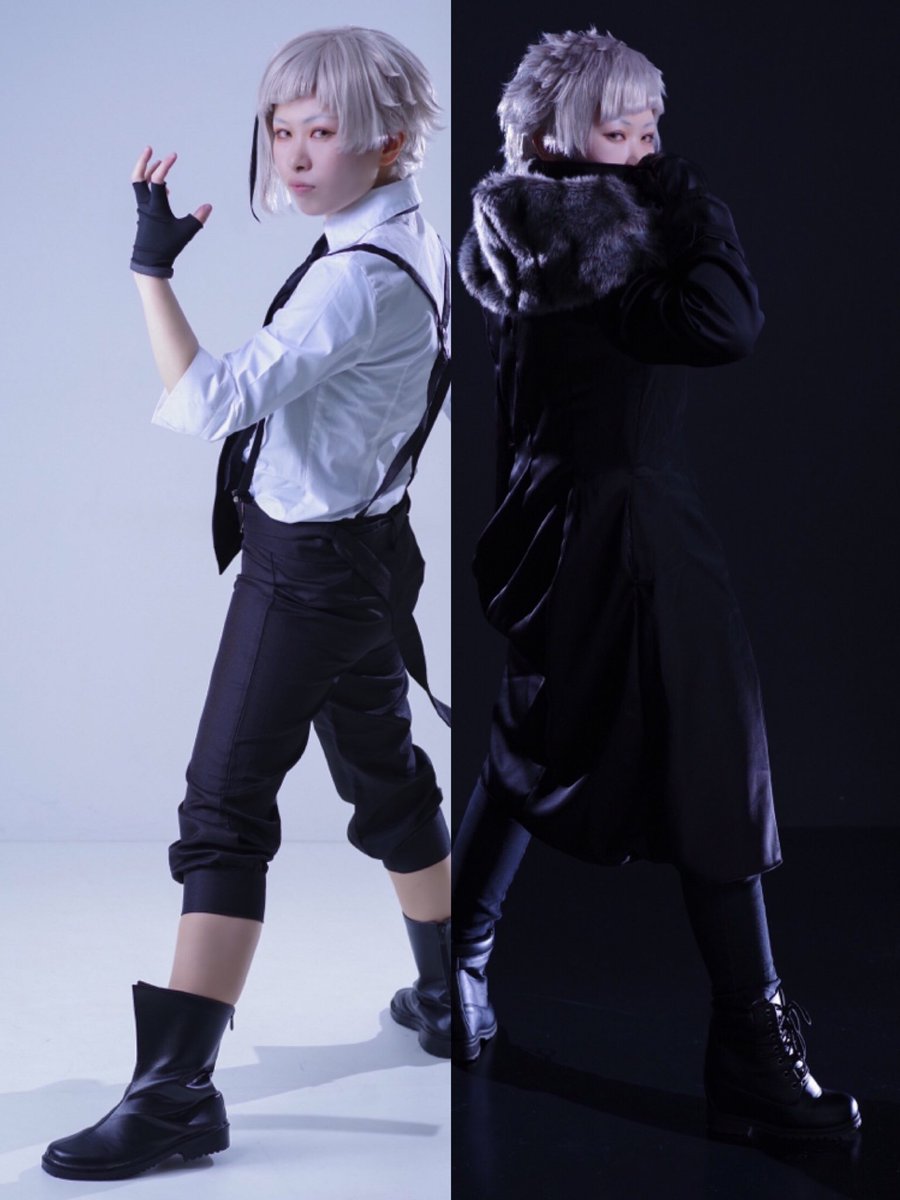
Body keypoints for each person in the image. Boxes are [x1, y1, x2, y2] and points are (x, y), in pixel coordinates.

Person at [42, 26, 451, 1182]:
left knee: (223, 810)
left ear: (390, 142)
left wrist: (150, 272)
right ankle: (451, 990)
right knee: (384, 774)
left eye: (325, 131)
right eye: (282, 128)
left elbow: (212, 398)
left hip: (309, 574)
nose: (296, 153)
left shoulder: (359, 279)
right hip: (367, 558)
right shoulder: (405, 237)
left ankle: (175, 1096)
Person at [453, 27, 860, 1144]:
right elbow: (729, 321)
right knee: (717, 774)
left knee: (533, 737)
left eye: (650, 127)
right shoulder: (608, 243)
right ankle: (753, 1056)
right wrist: (692, 204)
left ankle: (453, 963)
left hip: (547, 520)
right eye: (619, 130)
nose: (644, 147)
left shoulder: (515, 226)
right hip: (632, 533)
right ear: (553, 139)